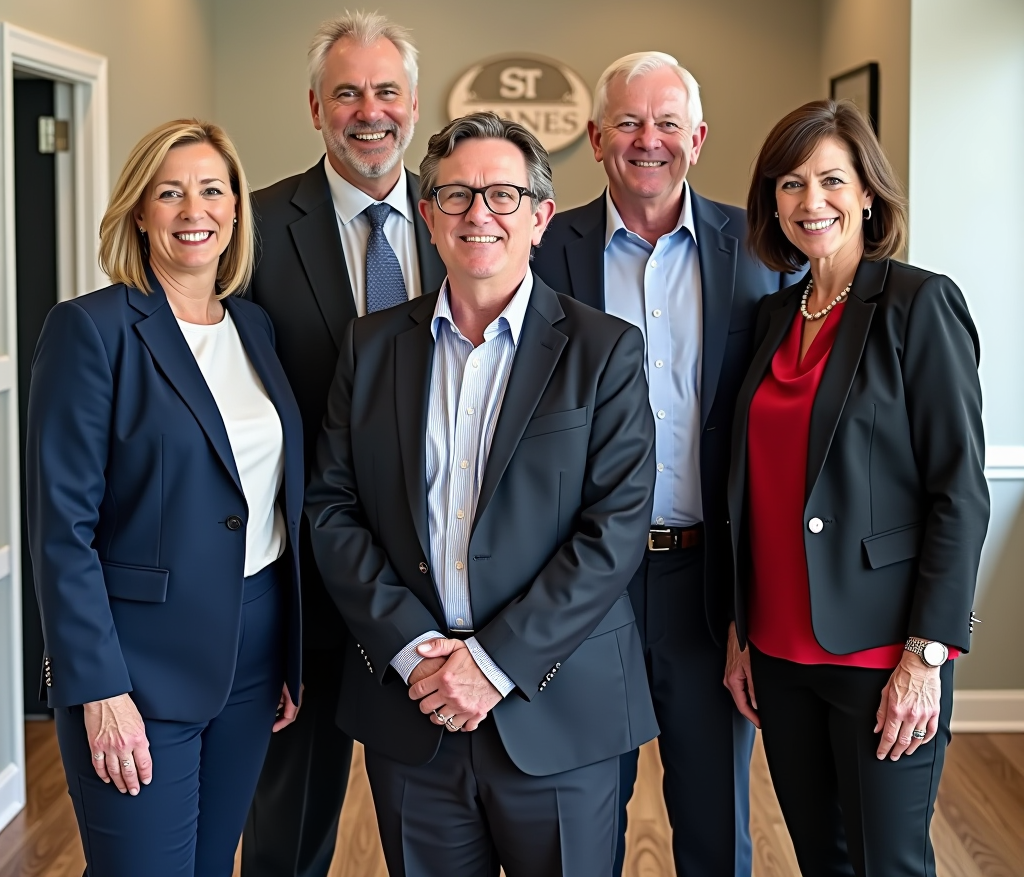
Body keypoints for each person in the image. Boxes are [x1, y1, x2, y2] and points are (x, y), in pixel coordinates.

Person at [306, 111, 658, 877]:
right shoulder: (370, 347)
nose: (479, 214)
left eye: (503, 195)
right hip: (414, 704)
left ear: (540, 217)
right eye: (457, 195)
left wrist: (492, 662)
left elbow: (615, 529)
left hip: (557, 711)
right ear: (426, 216)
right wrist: (411, 650)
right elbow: (332, 509)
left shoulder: (604, 351)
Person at [533, 51, 793, 876]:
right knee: (580, 825)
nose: (649, 140)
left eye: (668, 123)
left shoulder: (758, 255)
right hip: (579, 580)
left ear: (699, 137)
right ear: (595, 136)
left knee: (716, 827)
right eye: (630, 123)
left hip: (706, 584)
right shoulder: (540, 251)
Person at [26, 120, 304, 877]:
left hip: (253, 651)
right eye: (170, 191)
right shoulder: (91, 330)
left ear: (238, 210)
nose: (194, 209)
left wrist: (287, 652)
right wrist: (99, 687)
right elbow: (61, 531)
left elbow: (266, 502)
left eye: (213, 190)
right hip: (138, 663)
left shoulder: (254, 327)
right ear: (140, 210)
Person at [723, 99, 989, 877]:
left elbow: (958, 494)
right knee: (821, 860)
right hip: (777, 651)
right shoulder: (772, 316)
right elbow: (752, 489)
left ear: (868, 193)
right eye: (791, 184)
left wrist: (924, 656)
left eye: (831, 180)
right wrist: (742, 632)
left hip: (883, 655)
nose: (812, 203)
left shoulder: (917, 304)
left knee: (889, 865)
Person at [243, 10, 445, 877]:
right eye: (348, 92)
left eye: (387, 91)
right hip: (306, 583)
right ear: (315, 106)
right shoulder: (249, 231)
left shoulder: (467, 219)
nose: (371, 111)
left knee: (444, 830)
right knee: (291, 822)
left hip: (446, 592)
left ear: (413, 102)